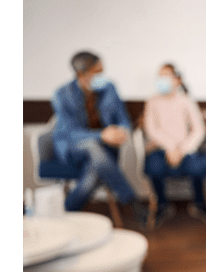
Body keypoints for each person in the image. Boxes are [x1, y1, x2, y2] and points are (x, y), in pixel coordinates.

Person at [51, 51, 147, 223]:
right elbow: (71, 133)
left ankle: (64, 214)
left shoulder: (109, 88)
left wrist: (122, 131)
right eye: (97, 72)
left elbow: (122, 118)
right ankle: (131, 200)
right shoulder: (62, 95)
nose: (102, 75)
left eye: (102, 71)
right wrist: (102, 135)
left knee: (93, 173)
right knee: (91, 145)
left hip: (105, 151)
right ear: (81, 74)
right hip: (73, 148)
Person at [142, 63, 206, 227]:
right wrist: (170, 148)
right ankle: (162, 205)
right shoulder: (152, 101)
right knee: (153, 167)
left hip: (185, 151)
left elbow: (198, 129)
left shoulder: (186, 101)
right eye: (159, 76)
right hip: (161, 149)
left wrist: (181, 150)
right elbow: (152, 129)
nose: (161, 80)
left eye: (166, 76)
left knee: (198, 167)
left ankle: (199, 203)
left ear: (177, 80)